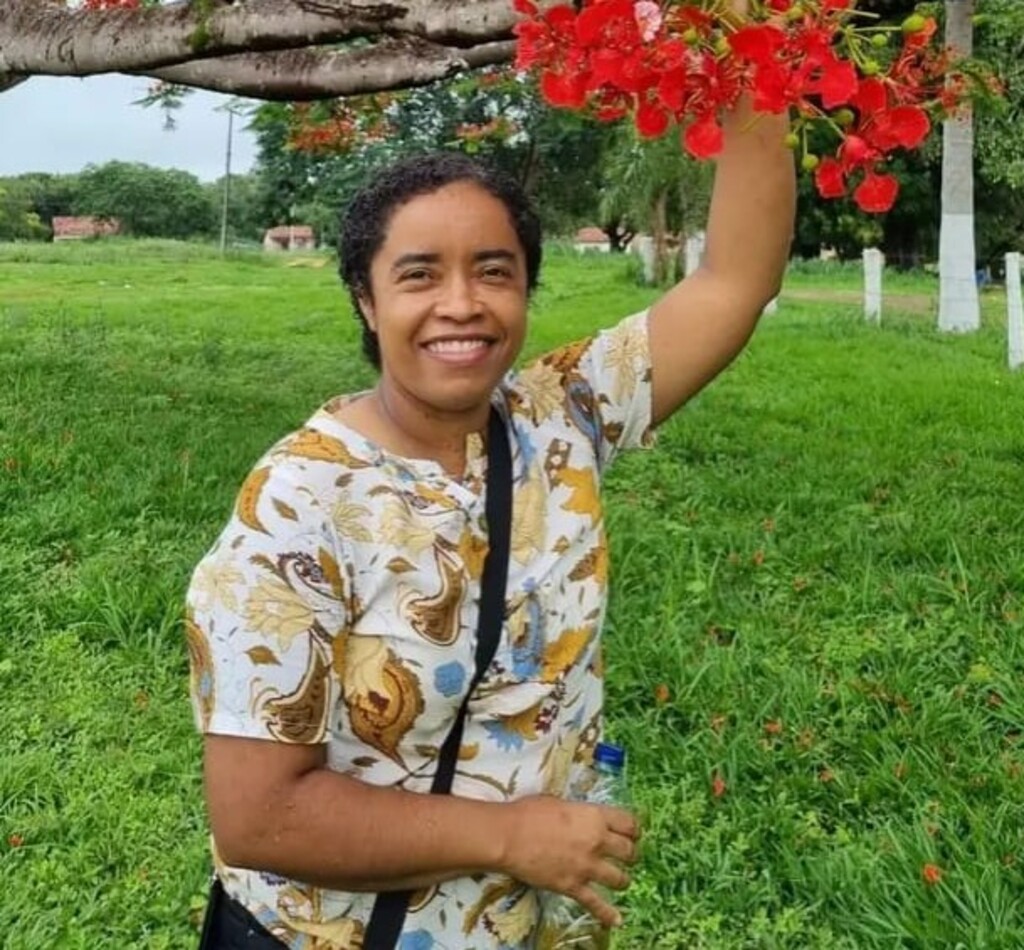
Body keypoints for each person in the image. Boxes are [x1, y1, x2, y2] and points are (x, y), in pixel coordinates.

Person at [185, 92, 794, 948]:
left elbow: (737, 278)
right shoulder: (297, 505)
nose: (462, 303)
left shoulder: (562, 414)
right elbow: (260, 816)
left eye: (495, 270)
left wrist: (752, 63)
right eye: (419, 273)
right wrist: (513, 836)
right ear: (366, 299)